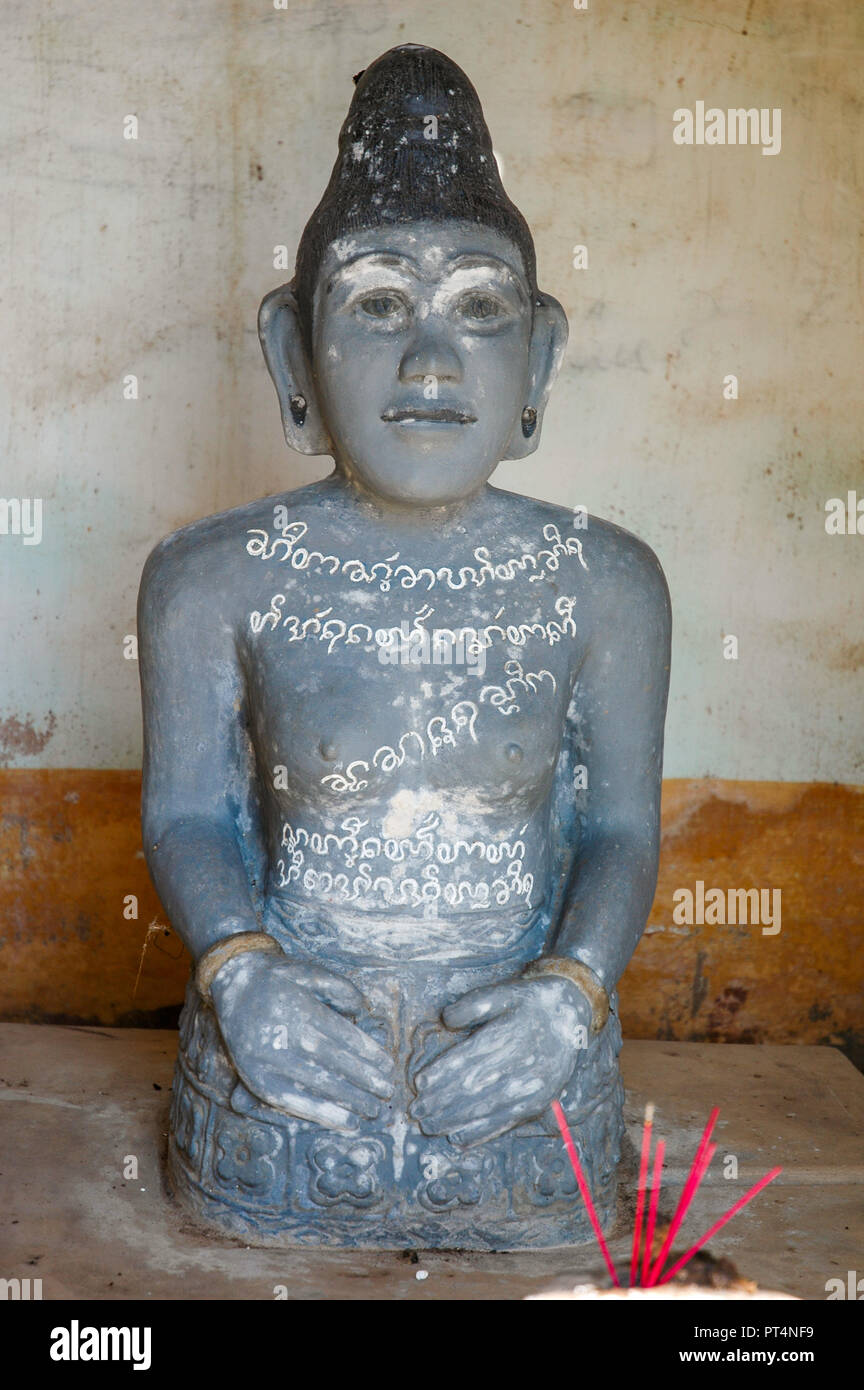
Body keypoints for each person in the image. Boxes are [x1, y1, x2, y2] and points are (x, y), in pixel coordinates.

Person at [138, 44, 671, 1247]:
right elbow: (185, 815)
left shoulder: (608, 584)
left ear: (536, 360)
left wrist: (567, 998)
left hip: (524, 1078)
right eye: (378, 301)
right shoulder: (207, 578)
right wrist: (242, 976)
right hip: (281, 1077)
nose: (431, 361)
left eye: (481, 309)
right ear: (292, 355)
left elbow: (619, 830)